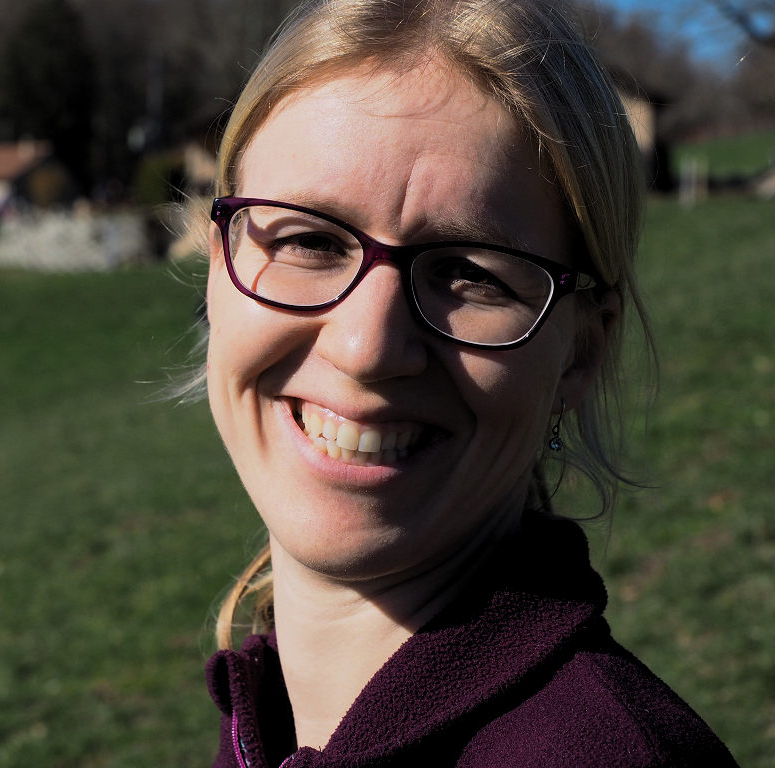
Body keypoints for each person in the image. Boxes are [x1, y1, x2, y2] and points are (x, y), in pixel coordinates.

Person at [194, 0, 739, 765]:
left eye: (470, 274)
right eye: (309, 240)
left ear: (581, 352)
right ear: (217, 267)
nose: (365, 348)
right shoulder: (266, 718)